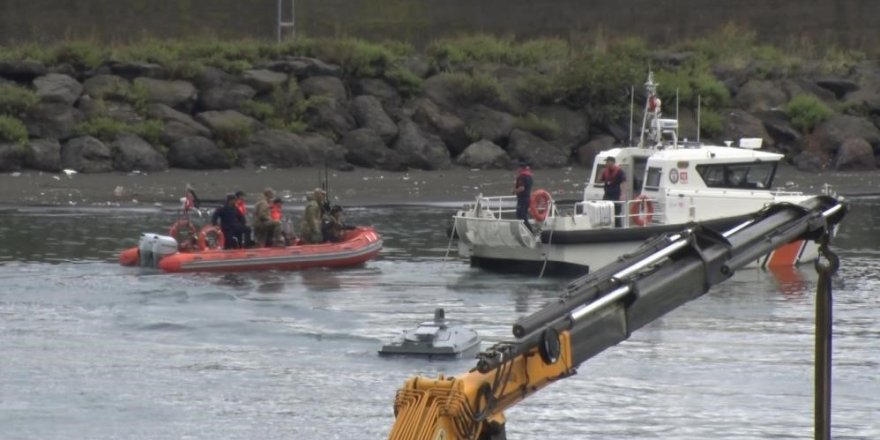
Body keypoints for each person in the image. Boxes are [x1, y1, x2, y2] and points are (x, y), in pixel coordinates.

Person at [600, 156, 626, 227]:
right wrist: (601, 172)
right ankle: (605, 226)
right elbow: (599, 181)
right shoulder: (605, 171)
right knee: (604, 211)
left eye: (607, 162)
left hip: (616, 195)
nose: (606, 163)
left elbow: (623, 182)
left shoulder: (619, 171)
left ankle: (618, 228)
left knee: (616, 213)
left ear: (611, 162)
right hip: (607, 194)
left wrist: (623, 195)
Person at [513, 162, 534, 233]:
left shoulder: (522, 177)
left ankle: (530, 232)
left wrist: (514, 191)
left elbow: (522, 188)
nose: (517, 169)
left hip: (522, 199)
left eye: (518, 168)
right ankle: (527, 231)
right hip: (528, 198)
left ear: (521, 168)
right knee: (524, 215)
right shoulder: (529, 176)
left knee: (520, 216)